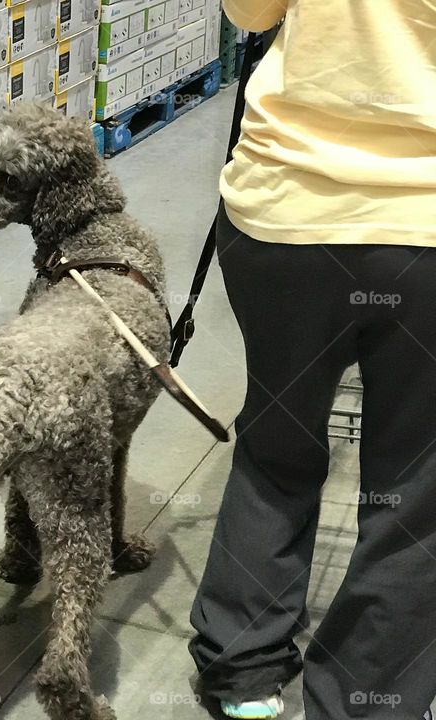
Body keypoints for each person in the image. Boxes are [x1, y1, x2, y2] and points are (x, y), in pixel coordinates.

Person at [189, 1, 436, 718]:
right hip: (424, 229)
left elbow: (253, 12)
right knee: (415, 485)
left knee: (276, 442)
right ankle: (366, 699)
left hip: (287, 211)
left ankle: (243, 670)